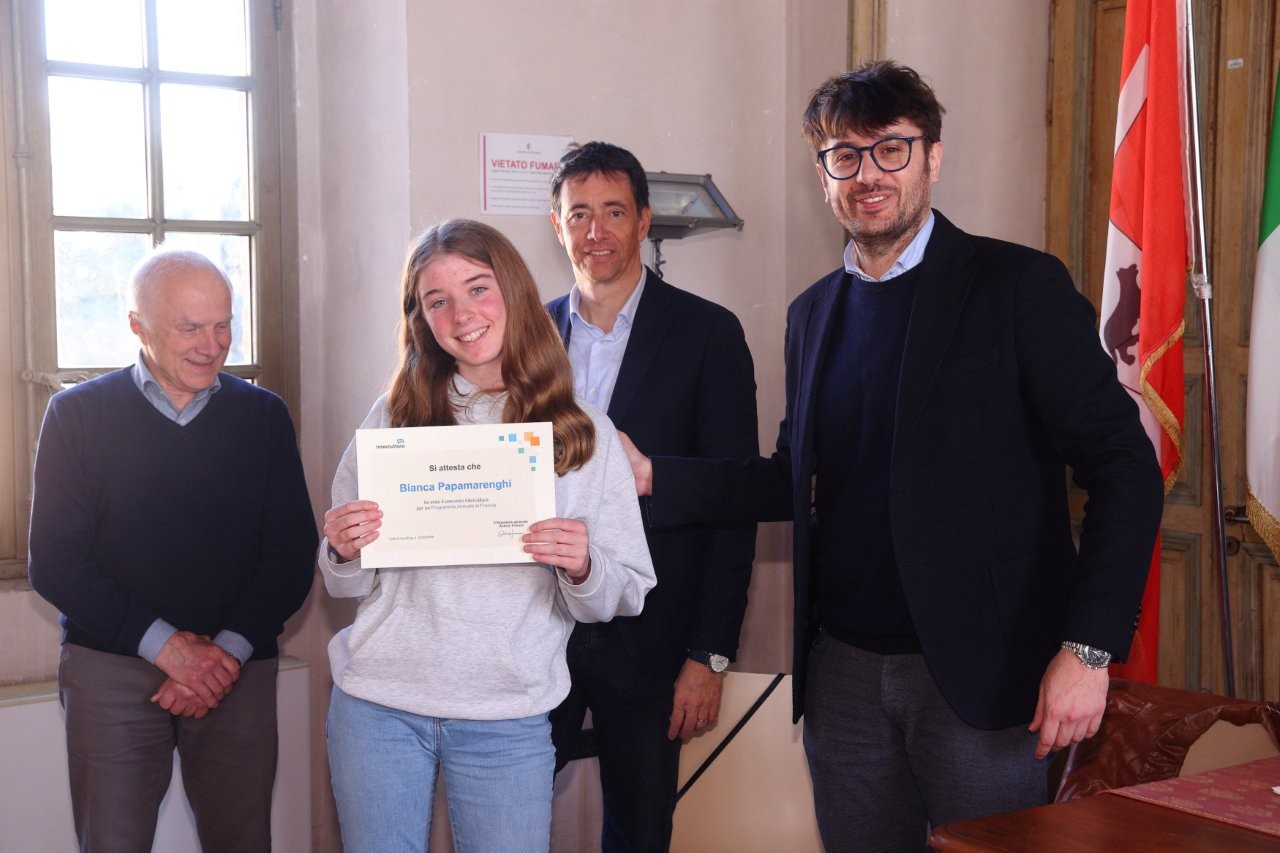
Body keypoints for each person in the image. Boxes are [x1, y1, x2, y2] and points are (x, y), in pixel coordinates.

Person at [623, 60, 1165, 850]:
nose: (868, 174)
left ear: (932, 157)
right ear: (823, 175)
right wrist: (653, 476)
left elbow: (1125, 467)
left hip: (984, 679)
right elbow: (790, 478)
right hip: (843, 676)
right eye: (845, 155)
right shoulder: (812, 314)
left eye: (891, 149)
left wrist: (1088, 649)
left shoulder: (1018, 286)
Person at [319, 218, 656, 853]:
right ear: (421, 320)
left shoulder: (583, 431)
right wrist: (341, 549)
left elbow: (627, 590)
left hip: (508, 715)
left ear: (515, 292)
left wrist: (584, 566)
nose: (461, 314)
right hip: (377, 705)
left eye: (478, 288)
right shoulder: (395, 417)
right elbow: (346, 584)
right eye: (437, 300)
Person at [28, 248, 318, 852]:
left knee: (242, 840)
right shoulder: (76, 414)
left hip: (236, 668)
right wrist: (168, 649)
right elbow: (55, 562)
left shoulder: (264, 416)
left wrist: (223, 654)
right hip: (111, 668)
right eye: (190, 328)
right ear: (138, 325)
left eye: (223, 325)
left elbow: (292, 554)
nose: (212, 346)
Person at [543, 140, 759, 852]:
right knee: (508, 811)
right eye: (579, 214)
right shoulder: (526, 337)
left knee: (638, 832)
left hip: (653, 636)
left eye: (613, 212)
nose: (596, 231)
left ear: (643, 221)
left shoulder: (708, 334)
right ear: (557, 225)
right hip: (537, 627)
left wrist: (710, 654)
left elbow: (733, 503)